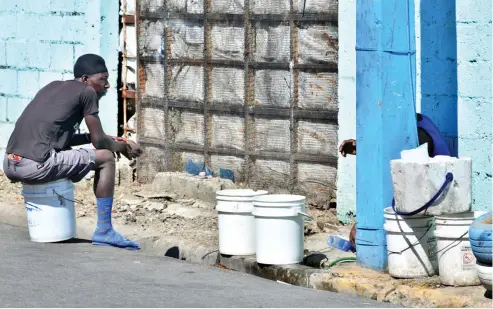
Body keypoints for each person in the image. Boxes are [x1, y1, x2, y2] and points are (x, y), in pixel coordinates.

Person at [3, 54, 142, 250]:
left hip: (10, 163)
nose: (108, 85)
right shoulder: (87, 92)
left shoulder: (51, 87)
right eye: (102, 79)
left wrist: (100, 139)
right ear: (85, 79)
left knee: (76, 152)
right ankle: (104, 230)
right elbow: (99, 142)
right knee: (106, 158)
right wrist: (123, 147)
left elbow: (60, 139)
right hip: (35, 164)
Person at [339, 113, 451, 245]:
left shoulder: (419, 135)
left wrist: (365, 223)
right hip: (422, 194)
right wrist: (362, 146)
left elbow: (401, 187)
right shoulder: (410, 125)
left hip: (435, 202)